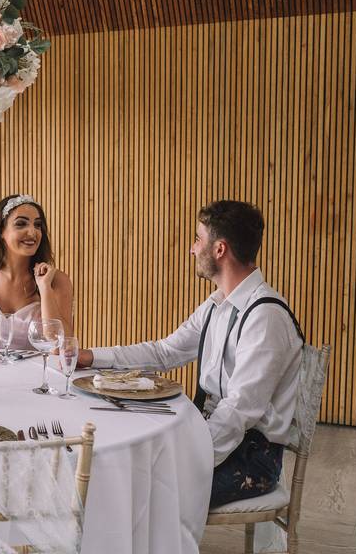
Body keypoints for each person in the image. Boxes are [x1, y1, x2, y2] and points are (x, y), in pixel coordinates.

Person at [76, 200, 303, 507]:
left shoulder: (265, 317)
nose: (193, 249)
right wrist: (90, 357)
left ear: (219, 249)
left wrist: (183, 457)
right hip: (211, 433)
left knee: (136, 493)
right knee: (118, 471)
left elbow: (239, 410)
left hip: (250, 459)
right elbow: (164, 352)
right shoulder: (217, 304)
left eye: (198, 239)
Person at [0, 194, 73, 350]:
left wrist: (45, 288)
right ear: (0, 231)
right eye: (21, 224)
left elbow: (61, 348)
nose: (33, 232)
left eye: (38, 225)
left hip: (39, 373)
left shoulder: (57, 281)